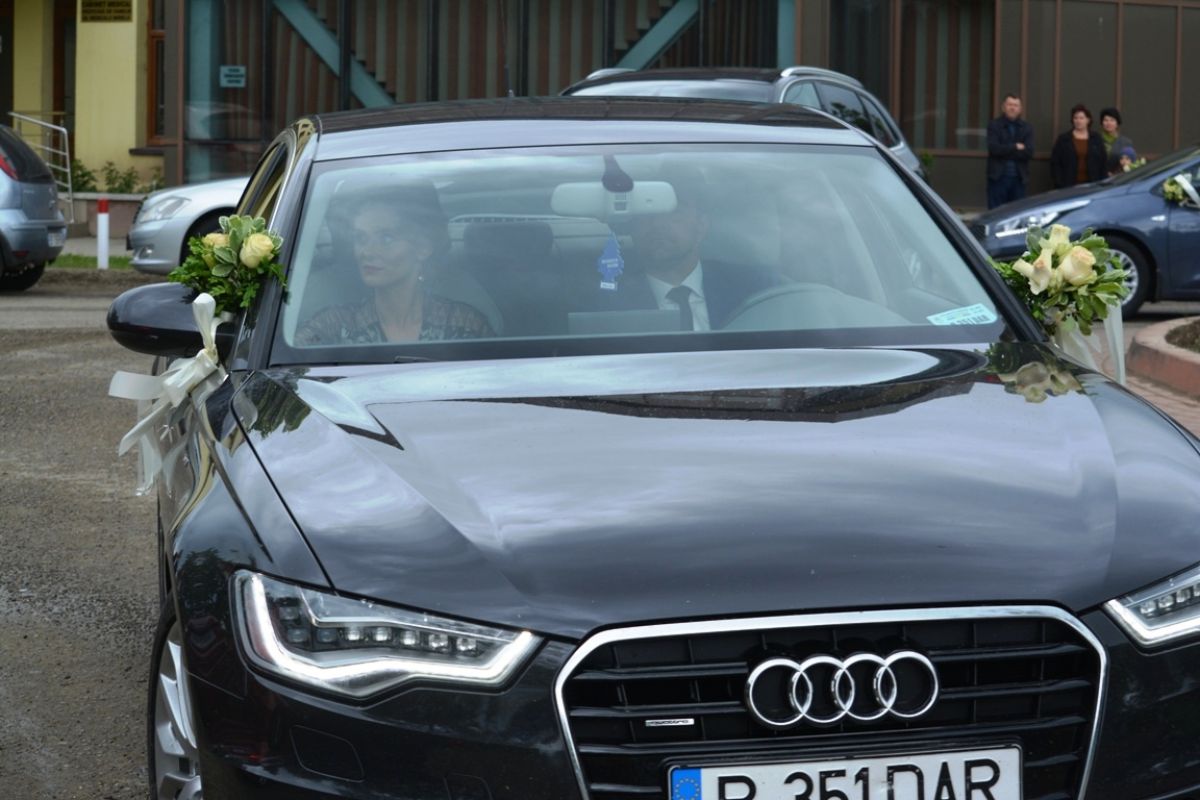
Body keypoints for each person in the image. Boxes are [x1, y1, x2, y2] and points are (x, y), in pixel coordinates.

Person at [297, 184, 494, 344]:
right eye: (361, 238)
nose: (367, 252)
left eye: (386, 238)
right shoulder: (332, 326)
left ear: (423, 248)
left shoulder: (466, 326)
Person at [578, 173, 776, 330]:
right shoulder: (603, 304)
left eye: (674, 213)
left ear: (701, 226)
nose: (657, 224)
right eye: (646, 214)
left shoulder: (756, 290)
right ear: (632, 227)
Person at [986, 94, 1034, 209]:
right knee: (996, 213)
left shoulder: (1026, 128)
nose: (1012, 108)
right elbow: (994, 149)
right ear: (1003, 107)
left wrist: (1005, 149)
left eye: (1016, 105)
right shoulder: (994, 126)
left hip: (1019, 179)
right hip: (998, 177)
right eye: (1010, 105)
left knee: (1017, 212)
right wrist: (1015, 147)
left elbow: (1029, 152)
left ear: (1020, 109)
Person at [1050, 104, 1106, 188]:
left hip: (1092, 184)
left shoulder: (1096, 139)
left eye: (1081, 118)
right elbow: (1055, 163)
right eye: (1075, 118)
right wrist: (1059, 182)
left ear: (1088, 120)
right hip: (1068, 185)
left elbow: (1103, 162)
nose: (1078, 121)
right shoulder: (1064, 139)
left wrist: (1102, 183)